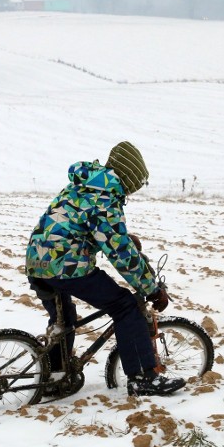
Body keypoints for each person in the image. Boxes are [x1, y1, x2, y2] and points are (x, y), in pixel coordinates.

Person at [25, 141, 185, 396]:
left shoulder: (84, 185)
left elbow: (82, 226)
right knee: (125, 306)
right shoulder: (106, 198)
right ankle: (143, 377)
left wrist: (123, 239)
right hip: (66, 266)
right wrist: (151, 289)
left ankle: (55, 377)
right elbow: (120, 253)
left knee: (63, 319)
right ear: (129, 177)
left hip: (37, 261)